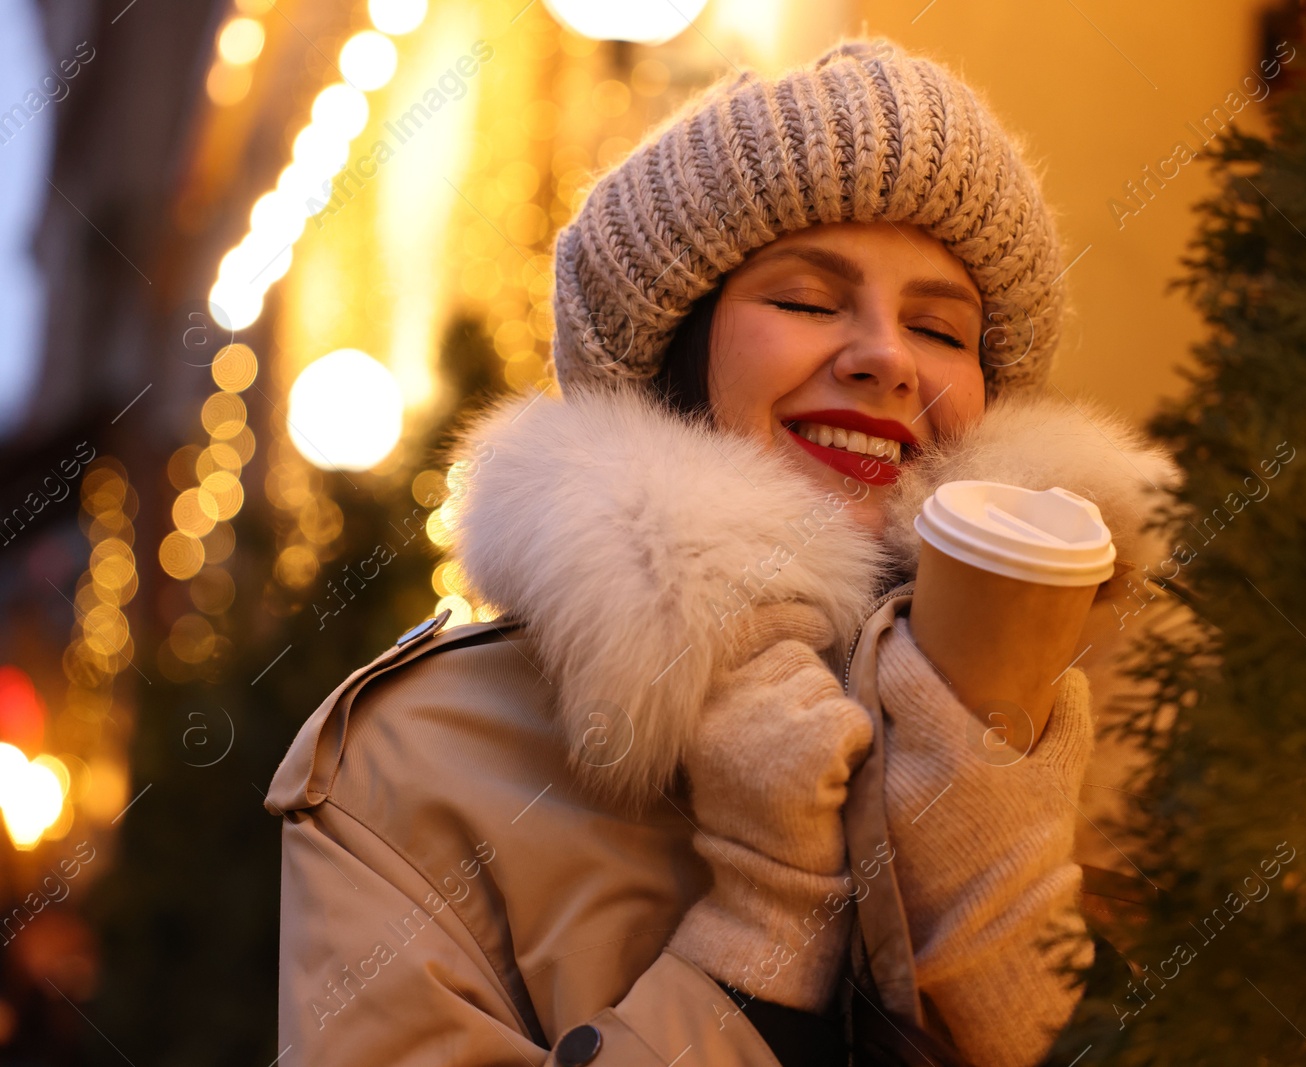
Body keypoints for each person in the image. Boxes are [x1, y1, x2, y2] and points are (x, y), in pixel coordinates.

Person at [267, 38, 1179, 1067]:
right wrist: (766, 923)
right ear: (675, 352)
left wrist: (994, 907)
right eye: (802, 301)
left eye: (939, 326)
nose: (883, 356)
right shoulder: (416, 757)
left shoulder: (1110, 711)